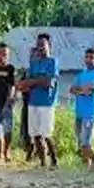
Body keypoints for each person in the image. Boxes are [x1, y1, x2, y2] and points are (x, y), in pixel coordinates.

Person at [22, 33, 59, 167]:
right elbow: (26, 83)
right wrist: (37, 81)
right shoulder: (34, 63)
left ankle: (54, 161)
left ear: (49, 46)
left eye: (43, 45)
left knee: (47, 134)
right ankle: (43, 162)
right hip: (33, 101)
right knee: (35, 134)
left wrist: (33, 82)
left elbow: (49, 83)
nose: (40, 48)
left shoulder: (52, 62)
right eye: (38, 45)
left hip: (46, 103)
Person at [68, 47, 94, 168]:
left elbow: (91, 89)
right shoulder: (82, 74)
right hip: (79, 112)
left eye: (92, 58)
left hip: (90, 113)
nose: (88, 60)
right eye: (87, 57)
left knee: (87, 143)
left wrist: (81, 90)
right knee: (81, 144)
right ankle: (87, 167)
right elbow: (72, 89)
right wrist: (82, 91)